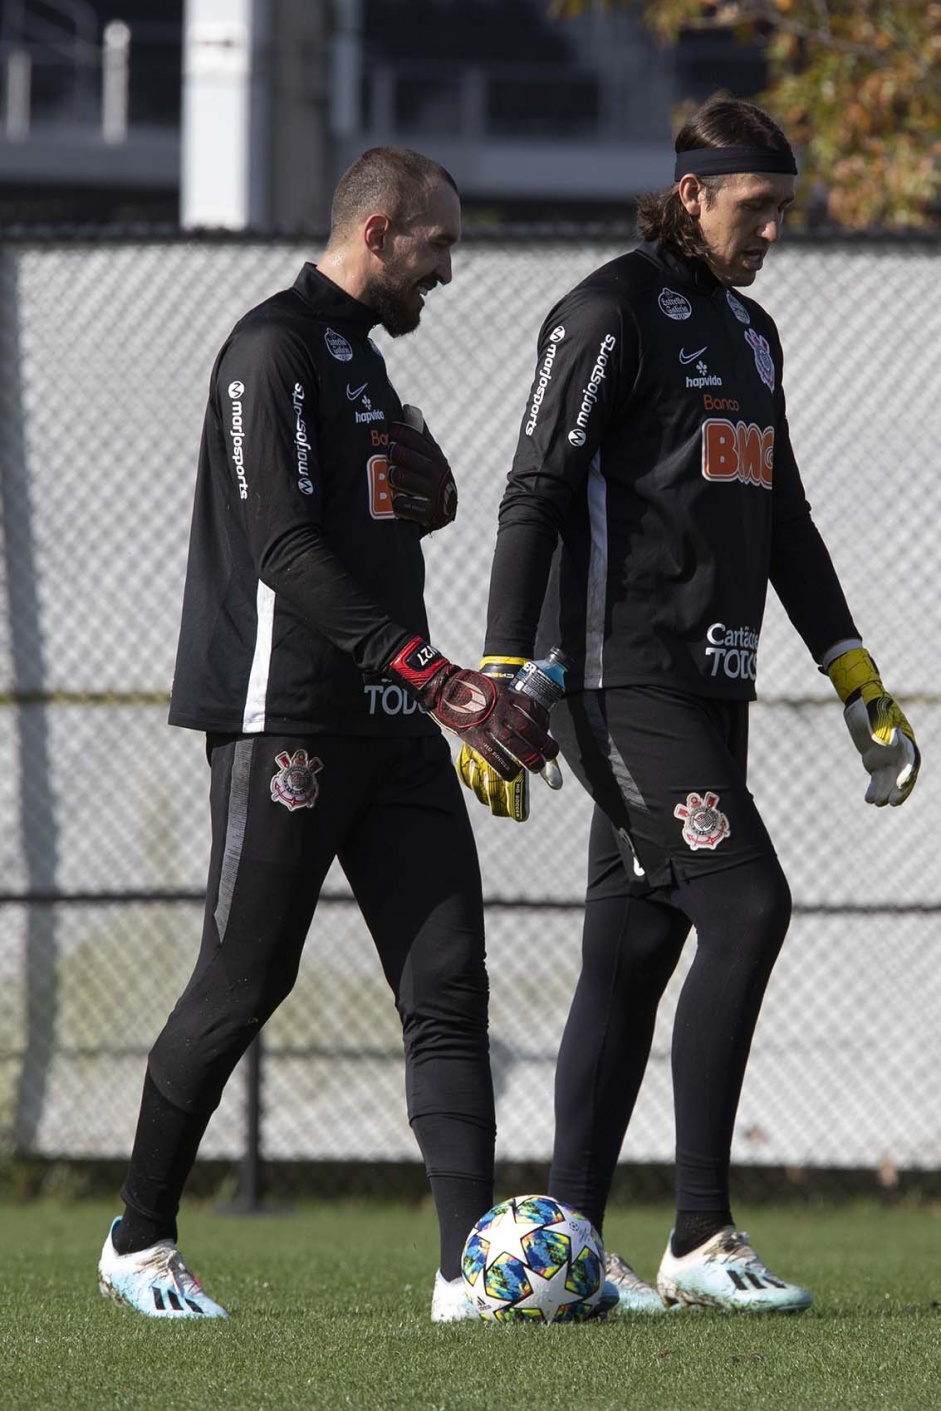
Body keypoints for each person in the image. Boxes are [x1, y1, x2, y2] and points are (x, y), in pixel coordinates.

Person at [459, 99, 920, 1314]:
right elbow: (531, 495)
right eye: (755, 206)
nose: (775, 226)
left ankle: (563, 1249)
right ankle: (700, 1233)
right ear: (692, 195)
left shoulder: (753, 332)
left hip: (711, 682)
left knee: (631, 950)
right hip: (617, 678)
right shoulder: (605, 312)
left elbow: (784, 520)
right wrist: (502, 676)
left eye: (783, 205)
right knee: (748, 903)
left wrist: (851, 671)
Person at [96, 146, 560, 1323]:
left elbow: (370, 519)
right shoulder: (274, 347)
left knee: (447, 978)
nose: (446, 270)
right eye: (436, 244)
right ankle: (139, 1239)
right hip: (287, 714)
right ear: (375, 229)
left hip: (393, 716)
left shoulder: (359, 359)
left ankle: (470, 1275)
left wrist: (434, 500)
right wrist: (444, 679)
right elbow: (283, 552)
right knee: (246, 978)